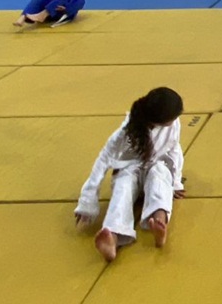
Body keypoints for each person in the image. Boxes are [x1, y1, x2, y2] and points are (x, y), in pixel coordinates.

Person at [74, 87, 185, 262]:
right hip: (129, 169)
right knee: (123, 188)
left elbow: (174, 150)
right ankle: (112, 236)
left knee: (160, 176)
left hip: (156, 165)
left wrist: (176, 182)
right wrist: (87, 200)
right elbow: (103, 160)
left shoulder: (173, 124)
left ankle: (159, 220)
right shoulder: (127, 130)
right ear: (160, 119)